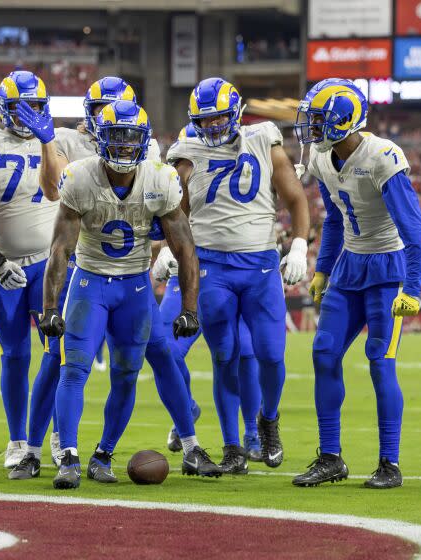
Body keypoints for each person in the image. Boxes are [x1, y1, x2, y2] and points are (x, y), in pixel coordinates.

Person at [12, 76, 215, 477]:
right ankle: (55, 454)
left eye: (131, 138)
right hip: (90, 282)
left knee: (127, 373)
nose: (124, 145)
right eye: (116, 137)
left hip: (136, 285)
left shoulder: (159, 175)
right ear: (99, 137)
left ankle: (104, 454)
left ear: (143, 139)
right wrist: (50, 306)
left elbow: (185, 248)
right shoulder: (81, 174)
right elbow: (60, 249)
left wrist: (190, 307)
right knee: (70, 367)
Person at [166, 77, 310, 474]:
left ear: (237, 114)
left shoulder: (264, 138)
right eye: (205, 121)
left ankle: (268, 419)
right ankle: (232, 445)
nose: (212, 127)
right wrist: (168, 250)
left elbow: (296, 199)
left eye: (219, 119)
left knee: (270, 354)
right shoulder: (185, 152)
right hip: (211, 265)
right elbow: (174, 213)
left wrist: (299, 245)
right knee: (224, 356)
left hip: (261, 264)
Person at [291, 78, 421, 489]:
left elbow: (414, 229)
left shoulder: (383, 156)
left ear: (342, 121)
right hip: (350, 266)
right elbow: (334, 218)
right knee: (324, 352)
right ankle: (331, 456)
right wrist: (323, 268)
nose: (310, 128)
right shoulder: (321, 159)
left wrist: (414, 287)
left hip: (388, 269)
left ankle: (390, 463)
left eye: (318, 120)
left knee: (379, 361)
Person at [0, 70, 68, 468]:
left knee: (57, 351)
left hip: (49, 263)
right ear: (3, 109)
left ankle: (59, 435)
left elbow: (57, 190)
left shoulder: (54, 141)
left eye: (35, 107)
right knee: (16, 354)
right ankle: (17, 440)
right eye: (20, 108)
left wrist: (47, 141)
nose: (28, 115)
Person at [154, 123, 263, 465]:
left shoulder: (233, 163)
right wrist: (169, 248)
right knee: (164, 350)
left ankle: (252, 434)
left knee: (244, 353)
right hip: (186, 277)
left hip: (226, 268)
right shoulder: (176, 170)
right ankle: (184, 410)